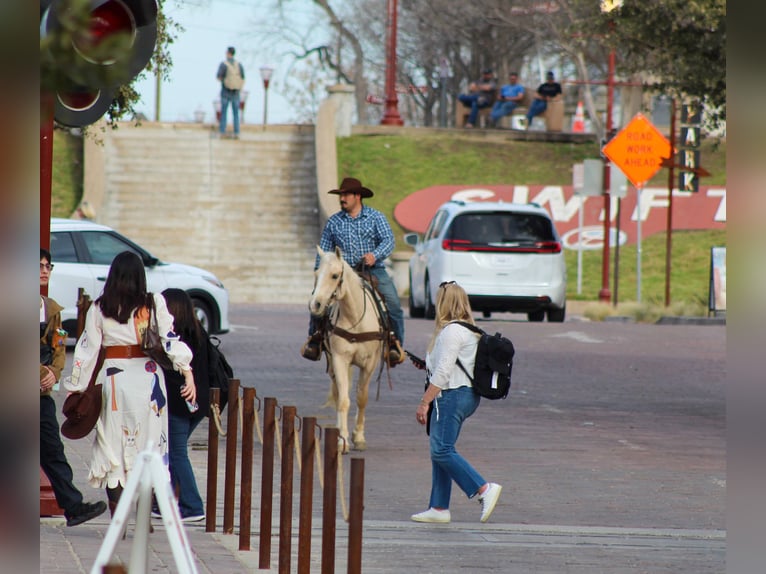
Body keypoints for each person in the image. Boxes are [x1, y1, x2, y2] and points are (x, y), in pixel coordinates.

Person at [64, 251, 196, 520]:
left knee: (113, 443)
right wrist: (187, 370)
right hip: (148, 379)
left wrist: (76, 386)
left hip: (114, 378)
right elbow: (168, 339)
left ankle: (118, 515)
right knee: (149, 444)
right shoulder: (153, 302)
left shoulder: (100, 307)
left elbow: (87, 350)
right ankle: (144, 515)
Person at [411, 281, 502, 524]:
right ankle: (439, 508)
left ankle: (483, 488)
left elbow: (443, 373)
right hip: (465, 395)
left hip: (451, 395)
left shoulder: (451, 331)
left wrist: (424, 402)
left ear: (444, 303)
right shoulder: (470, 329)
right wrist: (425, 364)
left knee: (441, 449)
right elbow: (446, 366)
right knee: (440, 449)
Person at [301, 177, 405, 366]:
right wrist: (320, 275)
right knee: (318, 300)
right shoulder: (333, 222)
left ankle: (394, 345)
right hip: (342, 275)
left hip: (373, 270)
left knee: (394, 304)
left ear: (358, 196)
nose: (342, 198)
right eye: (341, 195)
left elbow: (388, 241)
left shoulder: (376, 217)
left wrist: (375, 255)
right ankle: (314, 339)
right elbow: (324, 252)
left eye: (346, 195)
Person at [40, 248, 107, 527]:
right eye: (38, 265)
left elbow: (58, 346)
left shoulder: (51, 308)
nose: (44, 270)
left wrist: (54, 372)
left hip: (40, 394)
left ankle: (74, 507)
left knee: (52, 449)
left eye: (47, 265)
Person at [153, 288, 211, 523]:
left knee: (176, 453)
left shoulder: (176, 341)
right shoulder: (198, 333)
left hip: (180, 404)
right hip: (197, 404)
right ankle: (160, 502)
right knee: (170, 451)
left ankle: (192, 506)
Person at [216, 46, 245, 138]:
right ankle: (237, 132)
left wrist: (225, 80)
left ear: (228, 53)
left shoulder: (224, 64)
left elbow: (219, 77)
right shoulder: (238, 64)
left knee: (224, 112)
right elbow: (243, 77)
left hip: (225, 91)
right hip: (236, 92)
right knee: (236, 113)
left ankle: (222, 131)